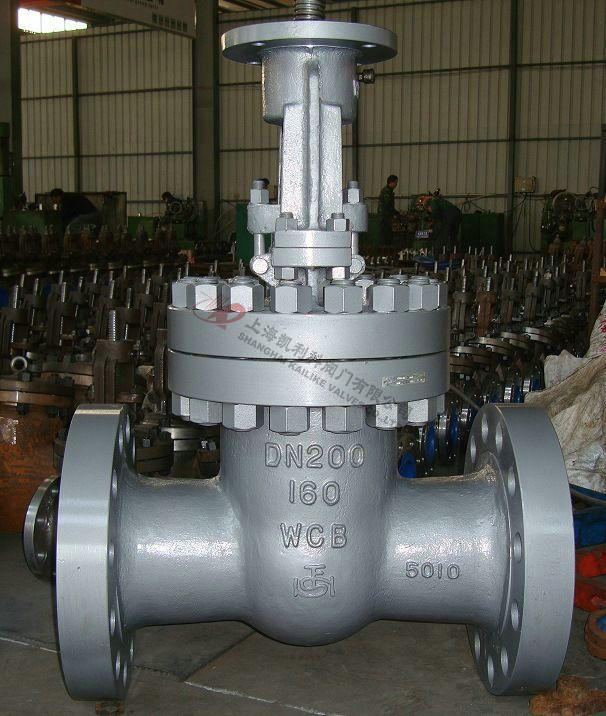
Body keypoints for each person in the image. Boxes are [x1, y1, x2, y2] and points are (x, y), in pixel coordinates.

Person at [378, 174, 400, 245]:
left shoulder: (389, 191)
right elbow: (387, 205)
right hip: (385, 217)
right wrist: (396, 213)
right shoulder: (387, 192)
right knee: (386, 235)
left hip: (387, 216)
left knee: (387, 235)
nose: (396, 184)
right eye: (395, 182)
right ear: (391, 182)